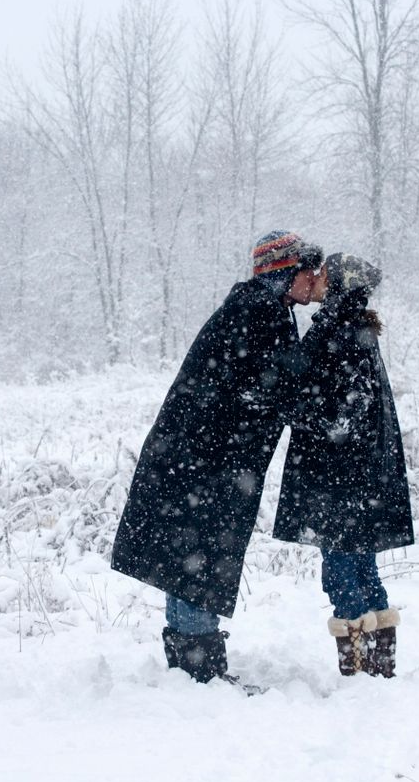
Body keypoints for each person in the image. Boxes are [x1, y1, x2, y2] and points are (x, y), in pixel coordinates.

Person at [111, 230, 325, 684]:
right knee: (198, 555)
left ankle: (189, 667)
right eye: (309, 270)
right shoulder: (260, 313)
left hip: (197, 457)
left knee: (189, 555)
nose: (315, 279)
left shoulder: (259, 308)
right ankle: (197, 672)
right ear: (286, 272)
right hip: (205, 462)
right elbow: (282, 389)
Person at [273, 252, 414, 678]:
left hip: (338, 478)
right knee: (362, 568)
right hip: (356, 477)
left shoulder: (340, 331)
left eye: (325, 273)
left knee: (341, 574)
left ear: (340, 286)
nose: (315, 277)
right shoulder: (354, 329)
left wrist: (292, 408)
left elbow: (345, 413)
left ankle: (359, 669)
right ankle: (378, 663)